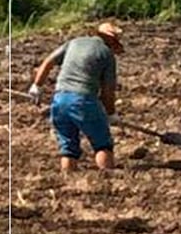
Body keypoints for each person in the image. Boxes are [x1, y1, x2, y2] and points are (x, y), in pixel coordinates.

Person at [29, 22, 125, 172]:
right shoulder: (106, 54)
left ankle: (68, 180)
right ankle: (108, 179)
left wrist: (37, 85)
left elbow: (48, 62)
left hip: (59, 100)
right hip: (83, 100)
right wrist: (111, 114)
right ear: (112, 40)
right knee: (102, 144)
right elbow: (108, 91)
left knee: (68, 148)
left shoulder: (74, 43)